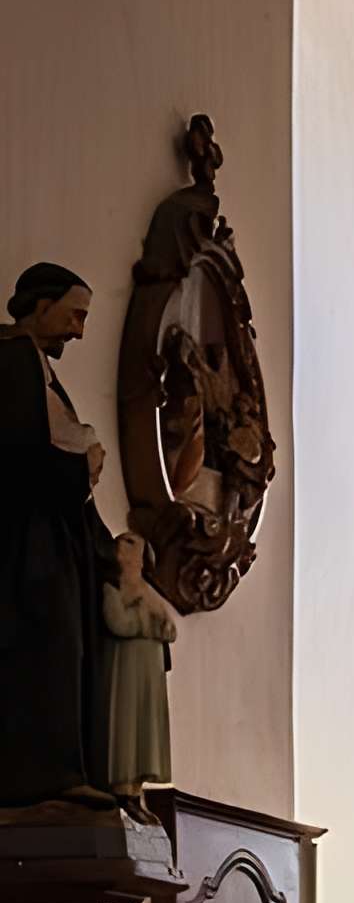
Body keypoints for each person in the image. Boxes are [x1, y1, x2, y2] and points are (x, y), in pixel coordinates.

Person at [0, 262, 115, 805]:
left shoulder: (35, 367)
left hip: (48, 534)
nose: (79, 330)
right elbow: (21, 454)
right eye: (75, 314)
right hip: (27, 540)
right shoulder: (14, 361)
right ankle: (45, 775)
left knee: (65, 641)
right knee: (47, 642)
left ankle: (62, 771)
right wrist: (82, 467)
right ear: (40, 306)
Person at [101, 531, 177, 799]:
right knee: (127, 722)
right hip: (127, 668)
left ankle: (136, 789)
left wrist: (152, 623)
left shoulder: (147, 591)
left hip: (149, 671)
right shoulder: (112, 588)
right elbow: (117, 622)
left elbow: (170, 630)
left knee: (146, 724)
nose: (126, 551)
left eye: (132, 549)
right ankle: (123, 785)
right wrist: (147, 622)